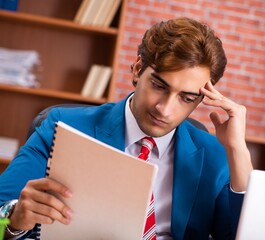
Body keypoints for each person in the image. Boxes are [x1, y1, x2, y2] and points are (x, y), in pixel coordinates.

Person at [0, 17, 253, 239]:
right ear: (137, 69)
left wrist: (237, 151)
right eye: (159, 86)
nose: (164, 109)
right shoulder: (62, 126)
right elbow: (3, 209)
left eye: (186, 98)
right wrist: (14, 220)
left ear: (201, 99)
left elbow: (240, 236)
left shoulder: (214, 154)